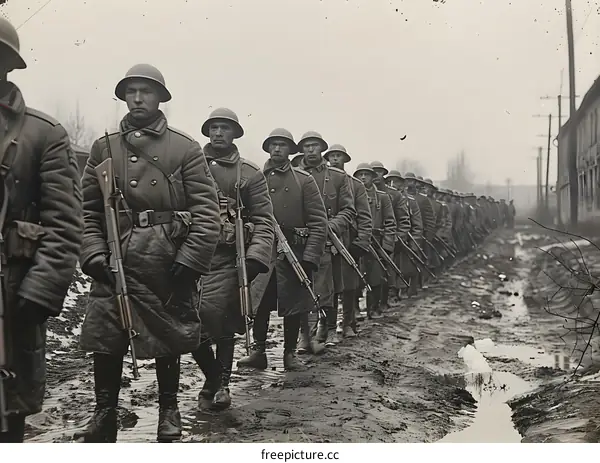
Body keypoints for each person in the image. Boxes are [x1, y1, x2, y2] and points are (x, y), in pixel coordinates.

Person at [76, 63, 221, 443]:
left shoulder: (184, 148)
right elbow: (87, 210)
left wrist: (189, 262)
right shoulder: (103, 147)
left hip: (166, 257)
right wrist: (92, 254)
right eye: (131, 91)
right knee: (106, 335)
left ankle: (168, 411)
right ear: (124, 96)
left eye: (147, 91)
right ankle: (104, 412)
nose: (138, 98)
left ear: (161, 98)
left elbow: (208, 214)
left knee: (167, 336)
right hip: (116, 258)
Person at [0, 16, 84, 444]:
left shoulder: (42, 134)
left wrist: (40, 293)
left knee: (7, 406)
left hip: (12, 294)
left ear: (7, 62)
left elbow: (65, 224)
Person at [192, 108, 274, 410]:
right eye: (213, 127)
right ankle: (213, 377)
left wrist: (255, 258)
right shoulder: (190, 165)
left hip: (227, 259)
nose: (218, 133)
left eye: (225, 128)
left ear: (235, 133)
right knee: (188, 325)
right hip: (189, 256)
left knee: (221, 322)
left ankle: (222, 384)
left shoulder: (249, 174)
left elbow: (265, 221)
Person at [239, 128, 327, 371]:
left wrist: (310, 256)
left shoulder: (303, 180)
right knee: (259, 302)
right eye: (273, 144)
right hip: (263, 249)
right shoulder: (254, 177)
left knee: (293, 304)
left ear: (291, 150)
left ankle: (289, 354)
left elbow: (319, 222)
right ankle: (258, 351)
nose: (277, 149)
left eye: (283, 145)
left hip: (293, 253)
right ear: (267, 148)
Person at [295, 131, 356, 348]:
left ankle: (325, 328)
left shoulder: (338, 178)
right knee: (300, 287)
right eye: (306, 146)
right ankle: (304, 334)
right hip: (298, 240)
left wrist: (331, 226)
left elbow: (349, 210)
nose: (310, 150)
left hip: (327, 241)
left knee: (326, 287)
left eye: (315, 146)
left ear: (322, 149)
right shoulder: (293, 175)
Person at [324, 145, 372, 336]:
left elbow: (364, 216)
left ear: (345, 159)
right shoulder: (322, 181)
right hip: (328, 239)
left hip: (348, 241)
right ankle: (327, 325)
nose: (335, 159)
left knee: (349, 285)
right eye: (332, 156)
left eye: (339, 156)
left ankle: (348, 323)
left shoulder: (355, 185)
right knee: (329, 285)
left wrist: (361, 242)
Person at [353, 163, 395, 318]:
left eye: (367, 175)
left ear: (373, 177)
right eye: (360, 175)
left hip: (376, 241)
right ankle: (355, 309)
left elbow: (390, 222)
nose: (363, 178)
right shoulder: (350, 195)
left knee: (376, 276)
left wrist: (387, 245)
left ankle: (373, 307)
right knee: (354, 277)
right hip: (356, 241)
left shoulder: (382, 197)